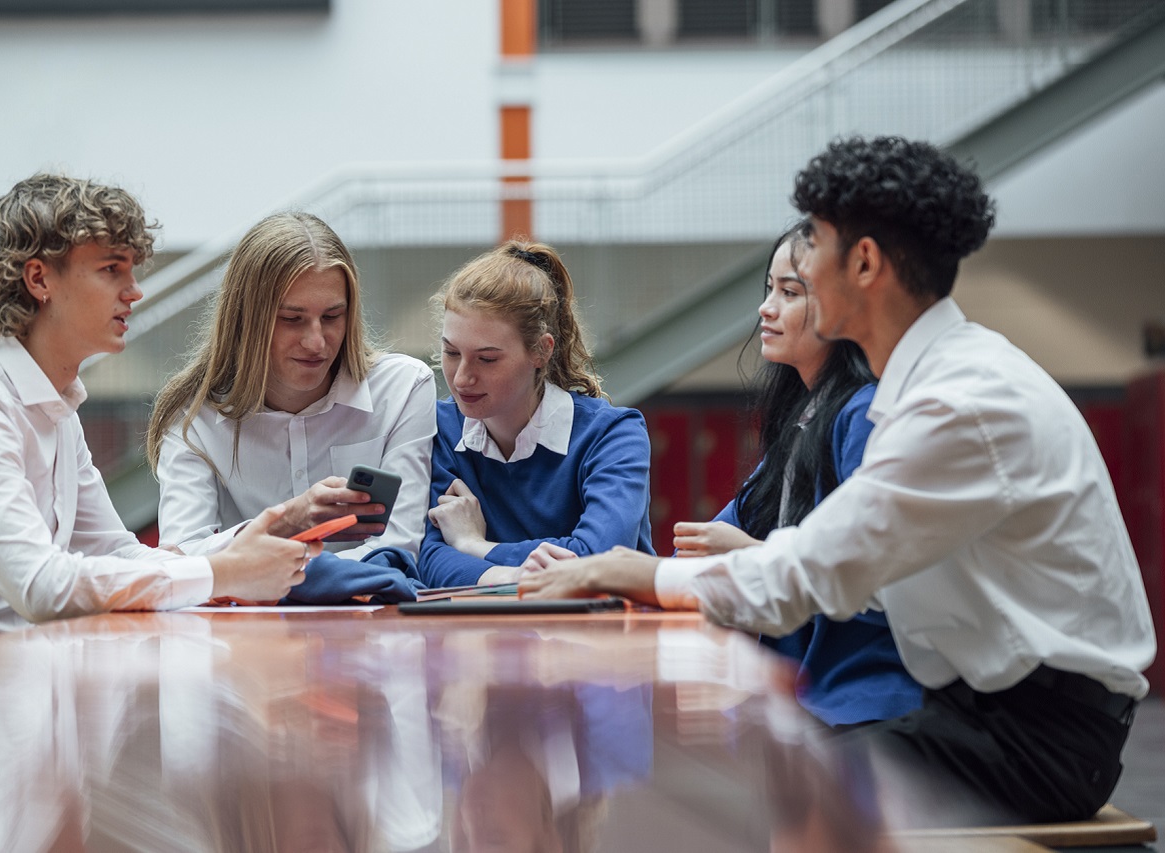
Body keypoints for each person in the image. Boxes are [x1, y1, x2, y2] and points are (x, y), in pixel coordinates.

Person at [520, 136, 1156, 825]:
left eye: (812, 247)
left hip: (1039, 736)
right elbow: (816, 561)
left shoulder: (960, 401)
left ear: (863, 262)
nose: (795, 268)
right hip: (981, 705)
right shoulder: (929, 382)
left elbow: (805, 575)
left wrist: (626, 569)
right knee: (757, 768)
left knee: (778, 785)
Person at [0, 175, 311, 650]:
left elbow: (117, 552)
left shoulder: (55, 403)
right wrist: (223, 571)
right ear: (39, 278)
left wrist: (247, 540)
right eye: (112, 269)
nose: (135, 291)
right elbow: (42, 587)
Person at [671, 223, 920, 729]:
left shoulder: (864, 414)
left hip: (864, 700)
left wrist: (746, 552)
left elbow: (870, 583)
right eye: (769, 289)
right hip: (800, 695)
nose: (766, 308)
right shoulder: (805, 418)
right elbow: (693, 551)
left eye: (789, 292)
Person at [147, 212, 436, 601]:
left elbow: (399, 550)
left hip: (367, 633)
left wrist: (251, 571)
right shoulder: (193, 413)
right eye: (291, 319)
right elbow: (180, 564)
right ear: (246, 319)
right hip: (246, 647)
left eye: (332, 316)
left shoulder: (403, 388)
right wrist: (288, 523)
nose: (316, 342)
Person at [417, 241, 652, 590]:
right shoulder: (439, 429)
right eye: (451, 353)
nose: (462, 377)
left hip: (605, 635)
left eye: (487, 359)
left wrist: (473, 545)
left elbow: (598, 556)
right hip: (485, 637)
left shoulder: (613, 434)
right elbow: (427, 558)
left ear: (541, 351)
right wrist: (513, 577)